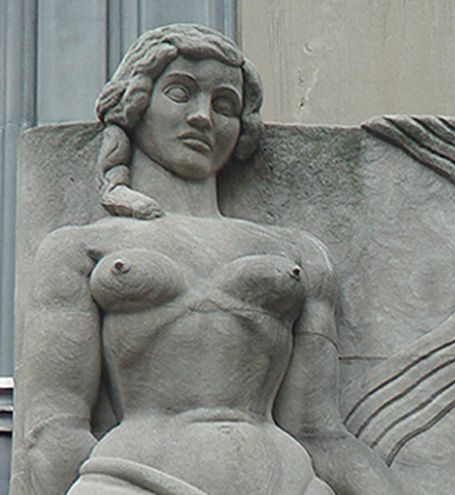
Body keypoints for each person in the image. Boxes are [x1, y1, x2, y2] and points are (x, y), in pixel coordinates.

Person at [13, 24, 402, 495]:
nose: (202, 117)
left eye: (224, 105)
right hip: (131, 481)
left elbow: (319, 432)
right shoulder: (79, 248)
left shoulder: (299, 252)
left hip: (286, 483)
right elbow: (53, 428)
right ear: (136, 105)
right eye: (180, 93)